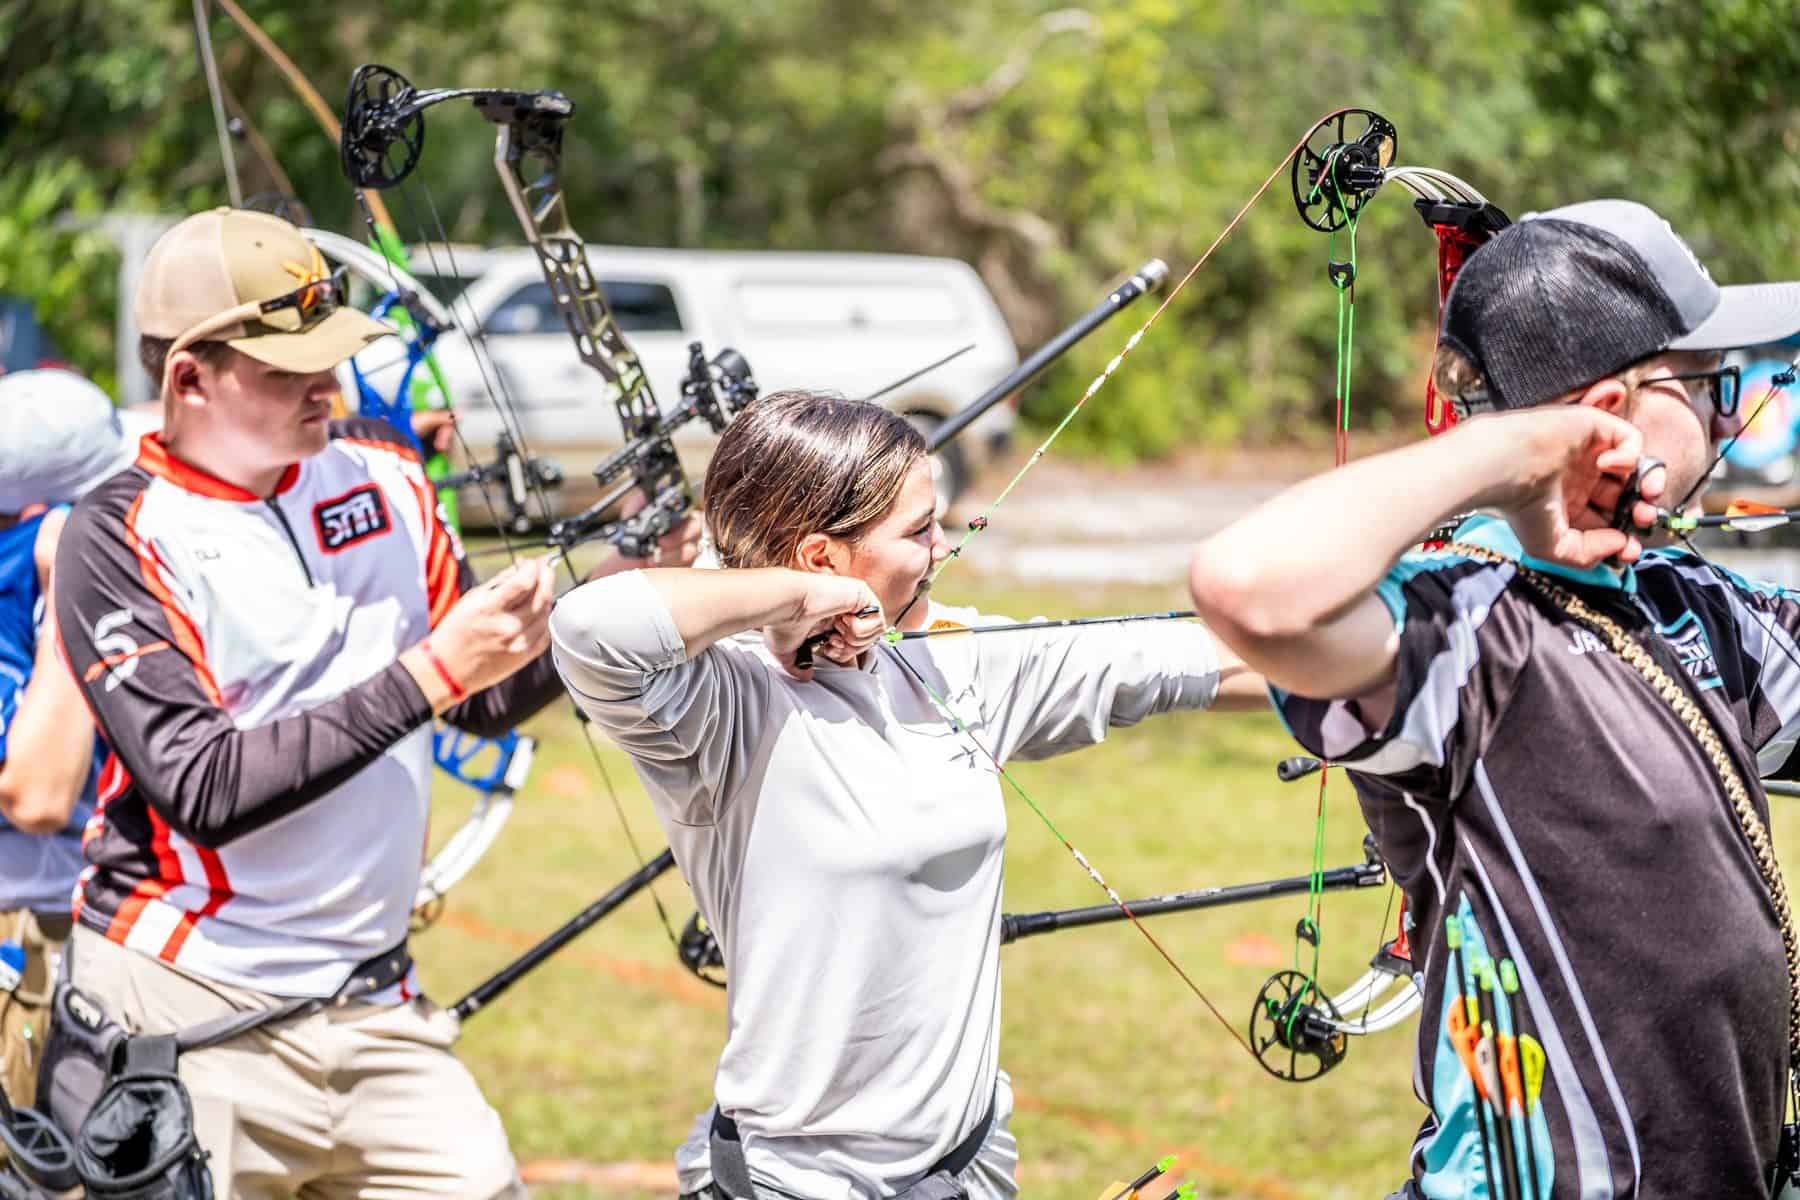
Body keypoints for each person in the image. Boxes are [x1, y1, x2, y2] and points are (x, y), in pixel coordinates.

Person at [50, 207, 695, 1198]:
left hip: (374, 1004)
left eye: (334, 354)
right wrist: (435, 670)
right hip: (186, 1002)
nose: (329, 384)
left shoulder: (386, 472)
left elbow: (475, 701)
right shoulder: (117, 533)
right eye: (288, 367)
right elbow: (202, 784)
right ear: (189, 378)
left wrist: (616, 588)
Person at [1188, 199, 1800, 1198]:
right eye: (1714, 389)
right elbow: (1250, 588)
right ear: (1609, 411)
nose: (1736, 419)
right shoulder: (1468, 625)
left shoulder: (1698, 607)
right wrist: (1522, 456)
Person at [549, 390, 1268, 1200]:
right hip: (795, 1183)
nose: (943, 545)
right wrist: (796, 602)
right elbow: (589, 627)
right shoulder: (722, 707)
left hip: (967, 1167)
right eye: (919, 529)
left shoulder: (952, 659)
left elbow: (1178, 661)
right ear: (822, 557)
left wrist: (1405, 654)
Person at [0, 369, 130, 1110]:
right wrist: (69, 593)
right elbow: (38, 794)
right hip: (28, 940)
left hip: (79, 924)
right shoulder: (36, 579)